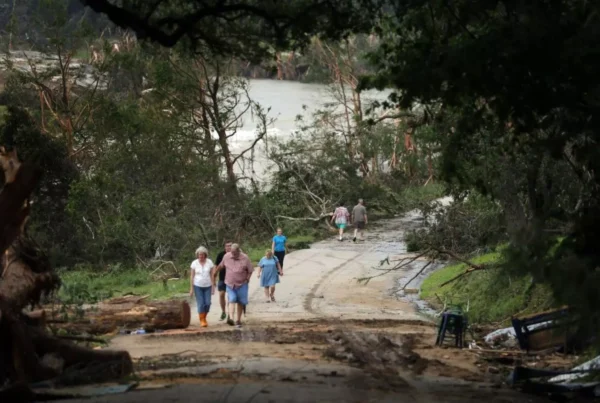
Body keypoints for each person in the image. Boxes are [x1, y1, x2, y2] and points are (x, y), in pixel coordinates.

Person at [213, 243, 253, 328]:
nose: (233, 254)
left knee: (240, 302)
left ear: (239, 251)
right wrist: (215, 272)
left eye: (235, 253)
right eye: (232, 252)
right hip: (230, 283)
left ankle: (238, 320)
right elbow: (221, 265)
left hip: (242, 284)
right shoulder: (227, 256)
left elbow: (250, 270)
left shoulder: (245, 258)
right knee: (232, 299)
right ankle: (231, 318)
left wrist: (248, 279)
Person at [189, 246, 215, 328]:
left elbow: (212, 275)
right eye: (199, 255)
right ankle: (202, 320)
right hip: (198, 286)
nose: (201, 256)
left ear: (205, 255)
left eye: (202, 255)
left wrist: (213, 286)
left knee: (207, 303)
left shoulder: (209, 262)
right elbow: (192, 276)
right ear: (197, 255)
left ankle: (204, 317)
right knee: (201, 303)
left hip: (208, 285)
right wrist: (191, 289)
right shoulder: (194, 263)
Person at [214, 241, 232, 321]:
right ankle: (223, 312)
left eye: (230, 246)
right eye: (227, 246)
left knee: (230, 296)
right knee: (221, 294)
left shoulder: (235, 254)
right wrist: (214, 276)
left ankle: (230, 314)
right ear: (225, 247)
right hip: (222, 278)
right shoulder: (221, 255)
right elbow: (216, 266)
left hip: (232, 279)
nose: (228, 247)